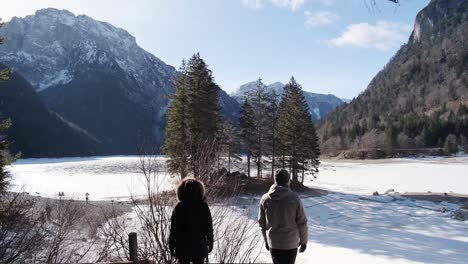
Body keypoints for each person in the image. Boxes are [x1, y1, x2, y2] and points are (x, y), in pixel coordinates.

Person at [258, 169, 308, 264]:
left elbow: (262, 223)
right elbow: (302, 223)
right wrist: (304, 242)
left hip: (274, 242)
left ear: (275, 180)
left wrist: (266, 240)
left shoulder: (265, 199)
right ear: (288, 181)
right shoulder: (294, 199)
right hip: (290, 244)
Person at [169, 177, 214, 264]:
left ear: (182, 191)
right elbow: (208, 228)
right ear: (200, 191)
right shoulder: (204, 207)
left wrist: (171, 245)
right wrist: (210, 243)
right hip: (200, 248)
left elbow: (174, 229)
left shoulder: (179, 207)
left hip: (182, 248)